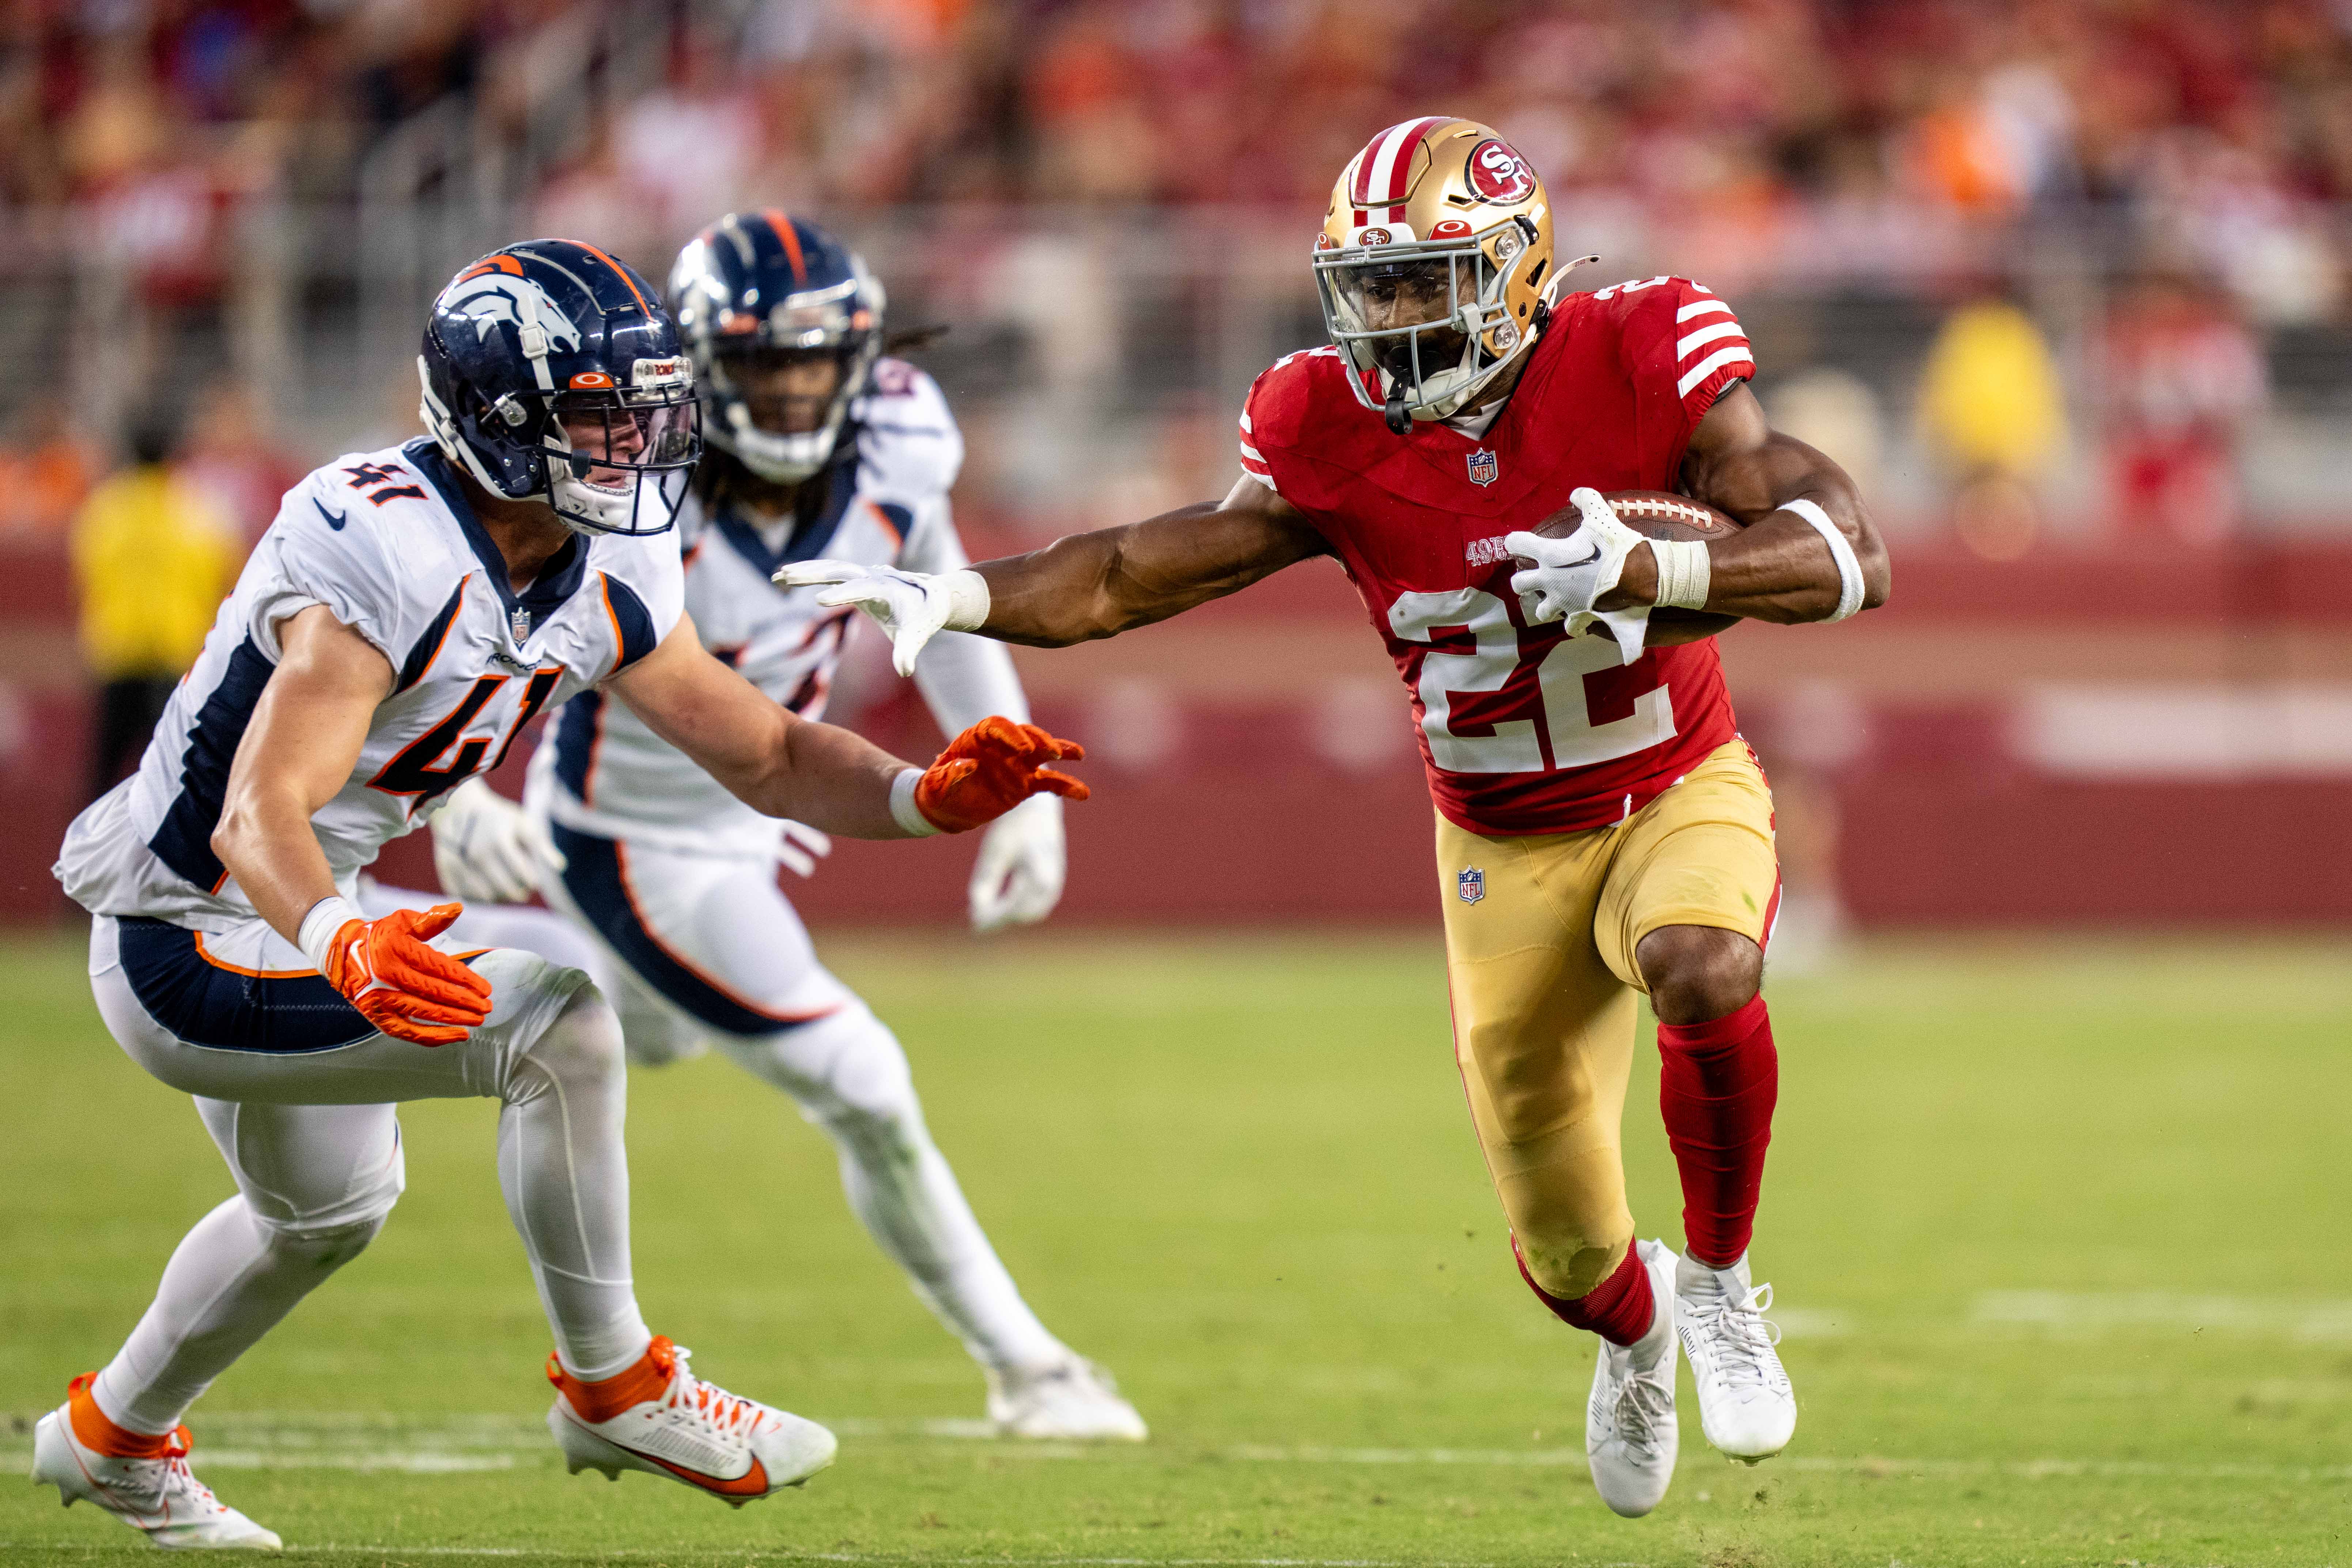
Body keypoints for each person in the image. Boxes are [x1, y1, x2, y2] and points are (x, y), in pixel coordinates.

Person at [785, 118, 1890, 1520]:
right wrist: (957, 597)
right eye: (1371, 286)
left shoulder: (1639, 347)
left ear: (1514, 270)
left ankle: (1723, 1281)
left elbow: (1848, 553)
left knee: (1702, 961)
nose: (1392, 316)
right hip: (1496, 843)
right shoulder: (1324, 420)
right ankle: (1638, 1332)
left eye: (1427, 282)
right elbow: (1131, 569)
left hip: (1672, 778)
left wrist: (1659, 565)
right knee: (1563, 1252)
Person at [41, 238, 1086, 1550]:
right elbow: (261, 809)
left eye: (647, 412)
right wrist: (341, 936)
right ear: (494, 418)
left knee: (322, 1215)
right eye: (600, 418)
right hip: (191, 925)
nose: (636, 445)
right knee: (561, 1015)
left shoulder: (602, 555)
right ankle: (614, 1382)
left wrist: (915, 792)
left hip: (313, 906)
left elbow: (762, 749)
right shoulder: (387, 540)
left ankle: (110, 1439)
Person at [411, 211, 1142, 1441]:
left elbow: (937, 595)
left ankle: (473, 956)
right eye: (764, 364)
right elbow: (457, 602)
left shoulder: (904, 435)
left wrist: (1020, 798)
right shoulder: (623, 469)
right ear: (698, 364)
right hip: (634, 838)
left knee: (637, 1027)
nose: (796, 390)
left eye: (814, 362)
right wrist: (453, 787)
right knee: (862, 1077)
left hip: (763, 814)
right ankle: (1029, 1365)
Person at [71, 406, 243, 802]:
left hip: (118, 654)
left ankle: (87, 860)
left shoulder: (104, 508)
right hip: (175, 658)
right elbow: (226, 577)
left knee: (102, 774)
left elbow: (86, 576)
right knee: (176, 778)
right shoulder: (197, 508)